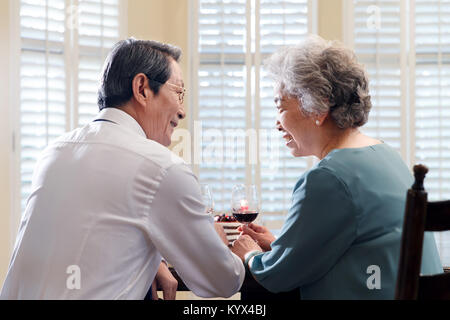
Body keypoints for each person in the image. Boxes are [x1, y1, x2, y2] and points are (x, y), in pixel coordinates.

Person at [1, 38, 244, 299]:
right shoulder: (162, 168)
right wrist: (223, 244)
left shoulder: (54, 152)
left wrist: (152, 262)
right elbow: (223, 281)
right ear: (142, 88)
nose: (182, 111)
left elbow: (89, 237)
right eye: (179, 92)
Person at [231, 35, 442, 299]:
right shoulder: (387, 156)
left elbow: (276, 276)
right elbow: (359, 247)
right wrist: (282, 247)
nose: (276, 123)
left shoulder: (328, 178)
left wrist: (249, 253)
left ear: (317, 107)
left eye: (280, 106)